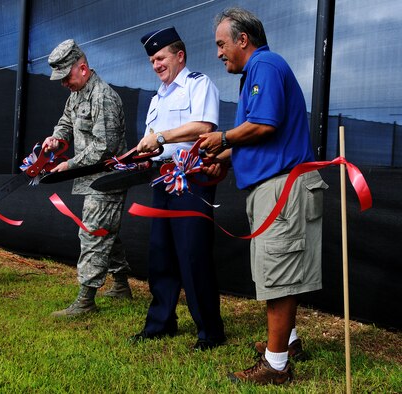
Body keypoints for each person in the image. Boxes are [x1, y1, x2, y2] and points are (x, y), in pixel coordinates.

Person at [200, 8, 328, 385]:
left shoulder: (265, 65)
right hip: (273, 188)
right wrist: (223, 157)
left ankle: (276, 366)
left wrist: (222, 139)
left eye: (222, 44)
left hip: (283, 188)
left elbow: (264, 124)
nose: (219, 53)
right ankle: (288, 342)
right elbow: (259, 134)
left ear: (243, 40)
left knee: (280, 272)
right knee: (276, 271)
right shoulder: (257, 72)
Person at [130, 27, 225, 351]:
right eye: (152, 60)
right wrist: (144, 155)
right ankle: (161, 323)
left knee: (193, 254)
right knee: (161, 253)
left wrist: (160, 138)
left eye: (160, 57)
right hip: (162, 180)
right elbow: (152, 142)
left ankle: (210, 332)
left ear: (179, 55)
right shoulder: (157, 97)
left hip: (192, 179)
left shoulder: (199, 85)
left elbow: (203, 128)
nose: (155, 64)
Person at [43, 39, 132, 317]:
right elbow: (67, 121)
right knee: (107, 231)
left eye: (66, 77)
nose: (64, 84)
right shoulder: (77, 94)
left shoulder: (103, 97)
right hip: (90, 178)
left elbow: (104, 147)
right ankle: (120, 285)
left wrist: (69, 163)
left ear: (82, 68)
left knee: (93, 232)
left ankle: (85, 300)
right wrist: (57, 139)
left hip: (107, 179)